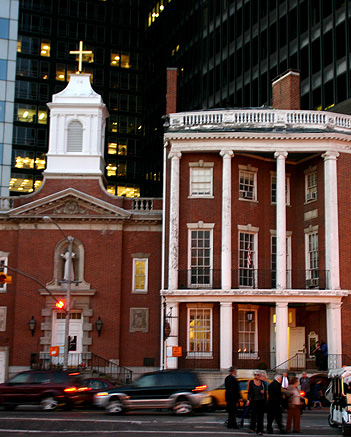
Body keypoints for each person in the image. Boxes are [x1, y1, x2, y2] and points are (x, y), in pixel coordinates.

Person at [247, 370, 267, 435]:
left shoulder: (263, 383)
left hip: (261, 401)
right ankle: (252, 428)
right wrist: (248, 400)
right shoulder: (252, 382)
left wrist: (263, 393)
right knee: (253, 415)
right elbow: (250, 392)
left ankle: (259, 430)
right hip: (254, 400)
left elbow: (265, 392)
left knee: (260, 416)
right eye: (255, 375)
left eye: (257, 375)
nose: (256, 376)